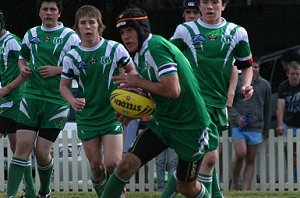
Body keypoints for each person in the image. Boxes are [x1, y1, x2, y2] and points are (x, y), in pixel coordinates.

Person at [100, 7, 219, 198]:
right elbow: (151, 91)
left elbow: (173, 90)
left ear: (142, 29)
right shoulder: (139, 54)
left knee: (186, 187)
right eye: (122, 32)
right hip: (163, 123)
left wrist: (137, 81)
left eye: (130, 30)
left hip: (191, 127)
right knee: (124, 166)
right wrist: (131, 111)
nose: (126, 36)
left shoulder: (155, 47)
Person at [168, 0, 253, 197]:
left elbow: (246, 64)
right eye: (205, 1)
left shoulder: (237, 32)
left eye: (215, 1)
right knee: (209, 157)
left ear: (223, 5)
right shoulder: (185, 30)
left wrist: (246, 84)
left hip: (218, 103)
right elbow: (166, 56)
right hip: (193, 102)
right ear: (200, 5)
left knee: (200, 157)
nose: (210, 6)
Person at [59, 5, 137, 197]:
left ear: (99, 25)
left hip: (111, 114)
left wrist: (126, 90)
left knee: (113, 163)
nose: (88, 27)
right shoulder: (72, 56)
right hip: (87, 116)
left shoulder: (115, 48)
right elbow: (63, 86)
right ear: (77, 28)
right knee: (96, 166)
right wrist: (72, 101)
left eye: (91, 22)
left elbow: (133, 72)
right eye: (83, 23)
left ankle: (117, 194)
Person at [6, 0, 80, 197]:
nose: (48, 13)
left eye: (52, 9)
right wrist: (22, 68)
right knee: (21, 148)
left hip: (57, 100)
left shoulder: (70, 37)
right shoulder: (31, 34)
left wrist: (58, 69)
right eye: (44, 9)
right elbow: (22, 57)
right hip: (31, 96)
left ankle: (44, 192)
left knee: (41, 152)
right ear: (39, 13)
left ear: (59, 13)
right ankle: (10, 195)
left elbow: (81, 66)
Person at [0, 10, 36, 198]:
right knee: (18, 149)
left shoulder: (12, 41)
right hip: (8, 100)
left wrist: (7, 89)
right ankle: (30, 192)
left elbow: (27, 68)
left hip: (15, 99)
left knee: (19, 149)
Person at [229, 58, 271, 190]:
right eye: (251, 66)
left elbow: (268, 108)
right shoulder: (237, 83)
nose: (253, 69)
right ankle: (235, 182)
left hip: (256, 126)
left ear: (259, 68)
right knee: (241, 153)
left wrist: (266, 129)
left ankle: (246, 189)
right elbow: (229, 105)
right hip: (238, 126)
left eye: (256, 67)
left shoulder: (265, 85)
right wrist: (236, 118)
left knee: (251, 159)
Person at [276, 61, 300, 182]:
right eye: (292, 74)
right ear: (287, 74)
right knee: (289, 151)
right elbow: (280, 106)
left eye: (297, 74)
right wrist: (279, 124)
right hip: (288, 123)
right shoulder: (283, 87)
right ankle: (293, 179)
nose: (295, 76)